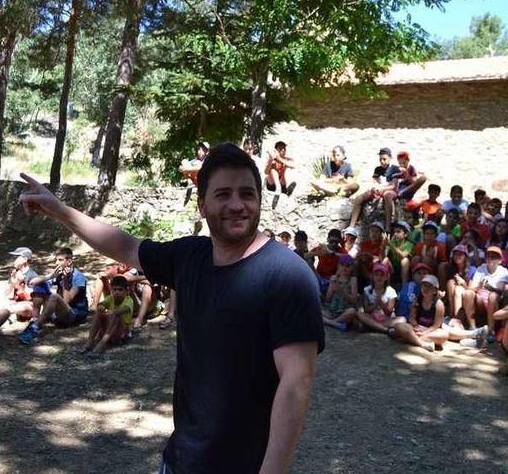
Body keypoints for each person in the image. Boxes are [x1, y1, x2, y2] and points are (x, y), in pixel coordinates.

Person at [18, 142, 323, 474]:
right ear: (202, 205)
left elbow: (295, 383)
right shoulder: (190, 257)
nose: (237, 204)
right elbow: (125, 245)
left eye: (247, 194)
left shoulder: (288, 276)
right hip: (180, 460)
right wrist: (60, 210)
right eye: (223, 194)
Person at [18, 248, 89, 344]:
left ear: (69, 261)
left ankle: (35, 328)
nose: (56, 263)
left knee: (54, 297)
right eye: (56, 260)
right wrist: (51, 276)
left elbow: (67, 300)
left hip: (73, 314)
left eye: (60, 260)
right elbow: (32, 283)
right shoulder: (58, 274)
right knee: (40, 285)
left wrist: (65, 281)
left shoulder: (78, 277)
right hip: (60, 313)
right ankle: (34, 320)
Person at [386, 274, 445, 352]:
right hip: (417, 328)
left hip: (430, 330)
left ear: (434, 290)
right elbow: (412, 317)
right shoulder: (417, 300)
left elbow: (436, 325)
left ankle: (408, 338)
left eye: (429, 286)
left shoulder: (439, 304)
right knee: (398, 326)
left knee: (443, 335)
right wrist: (416, 326)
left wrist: (424, 332)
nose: (425, 288)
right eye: (423, 286)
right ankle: (422, 343)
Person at [463, 246, 508, 342]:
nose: (490, 259)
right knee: (467, 293)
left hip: (495, 302)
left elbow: (500, 291)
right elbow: (472, 287)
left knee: (492, 296)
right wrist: (479, 286)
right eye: (488, 256)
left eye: (494, 257)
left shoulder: (503, 271)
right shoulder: (481, 268)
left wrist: (490, 287)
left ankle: (491, 331)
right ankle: (473, 329)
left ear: (499, 260)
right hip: (480, 299)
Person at [81, 275, 134, 355]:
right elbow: (102, 304)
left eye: (120, 290)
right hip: (109, 330)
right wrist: (101, 307)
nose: (117, 292)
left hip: (121, 333)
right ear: (111, 290)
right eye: (114, 289)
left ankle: (100, 345)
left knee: (116, 316)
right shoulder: (110, 298)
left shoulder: (129, 300)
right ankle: (89, 342)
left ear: (126, 291)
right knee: (99, 313)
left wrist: (112, 312)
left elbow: (124, 309)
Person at [348, 147, 399, 228]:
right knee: (359, 198)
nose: (382, 161)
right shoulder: (378, 169)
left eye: (384, 159)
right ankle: (351, 225)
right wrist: (373, 188)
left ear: (390, 158)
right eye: (380, 159)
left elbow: (394, 186)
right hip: (379, 189)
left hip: (388, 189)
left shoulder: (395, 169)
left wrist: (382, 188)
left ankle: (388, 225)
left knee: (387, 195)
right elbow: (374, 182)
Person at [2, 247, 51, 322]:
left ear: (25, 259)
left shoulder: (32, 275)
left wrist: (22, 283)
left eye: (16, 257)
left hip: (30, 307)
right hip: (18, 304)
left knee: (12, 307)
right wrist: (12, 283)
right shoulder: (16, 273)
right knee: (3, 304)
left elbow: (35, 298)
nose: (13, 260)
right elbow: (6, 294)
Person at [322, 254, 360, 332]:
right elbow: (328, 299)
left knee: (352, 311)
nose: (344, 268)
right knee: (314, 310)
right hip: (332, 311)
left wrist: (342, 291)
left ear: (352, 268)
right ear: (338, 266)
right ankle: (335, 323)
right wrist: (331, 288)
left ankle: (332, 322)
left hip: (344, 311)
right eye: (342, 265)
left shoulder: (353, 280)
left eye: (348, 266)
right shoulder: (334, 278)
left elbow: (354, 300)